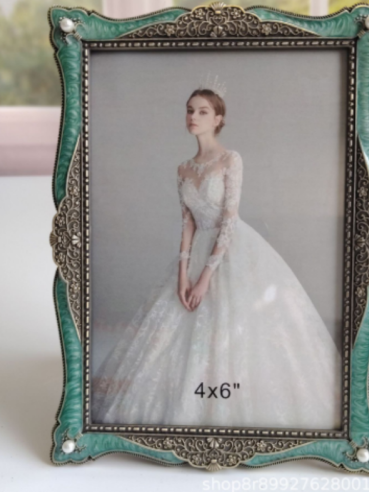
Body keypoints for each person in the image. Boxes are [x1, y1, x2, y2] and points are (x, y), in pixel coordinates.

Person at [92, 79, 342, 429]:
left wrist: (205, 277)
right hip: (196, 251)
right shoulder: (183, 168)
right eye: (189, 111)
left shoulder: (230, 160)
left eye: (202, 112)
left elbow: (229, 218)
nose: (193, 117)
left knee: (237, 330)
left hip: (231, 248)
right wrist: (184, 275)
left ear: (218, 119)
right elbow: (188, 223)